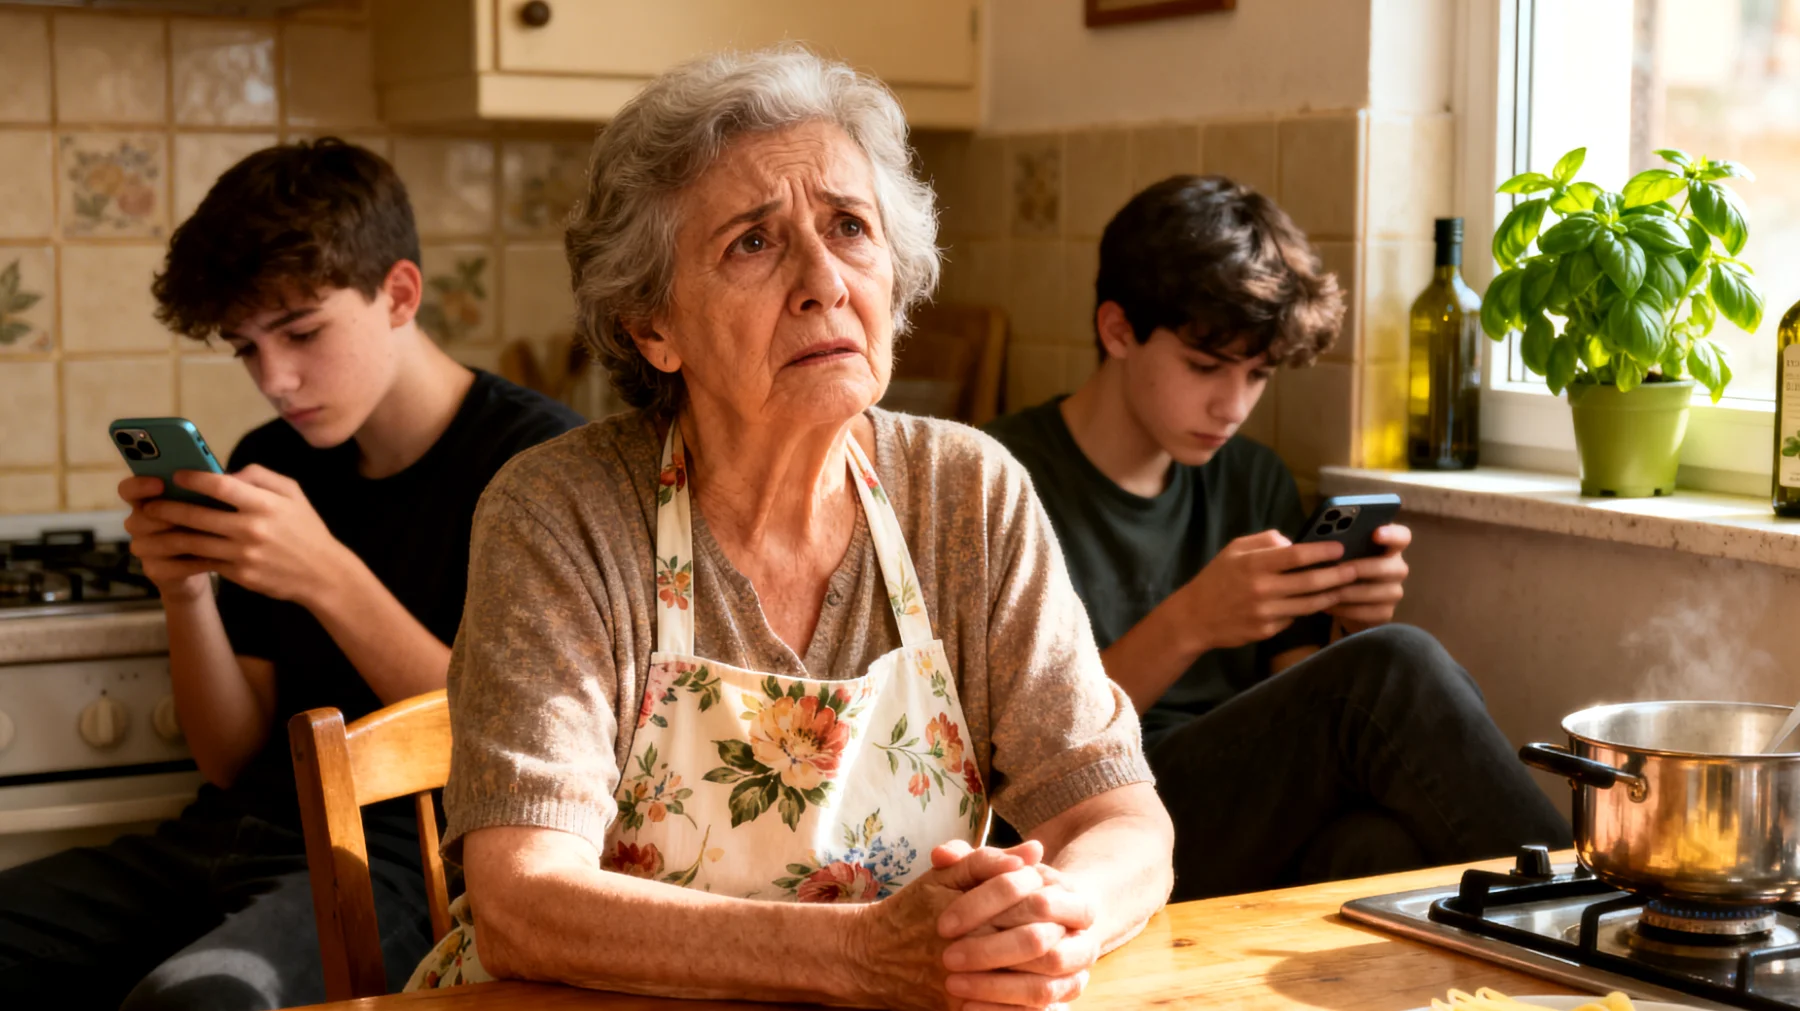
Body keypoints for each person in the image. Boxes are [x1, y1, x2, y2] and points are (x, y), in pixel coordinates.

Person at [404, 47, 1174, 1011]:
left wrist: (1055, 917)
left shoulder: (966, 491)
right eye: (753, 244)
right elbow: (525, 900)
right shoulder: (559, 510)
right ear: (654, 327)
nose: (825, 282)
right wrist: (855, 956)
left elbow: (1119, 816)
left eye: (851, 228)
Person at [0, 140, 584, 1009]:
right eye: (246, 348)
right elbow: (233, 756)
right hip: (232, 833)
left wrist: (327, 576)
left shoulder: (536, 466)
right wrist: (185, 590)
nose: (275, 378)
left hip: (402, 856)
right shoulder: (272, 459)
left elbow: (513, 750)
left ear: (399, 294)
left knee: (201, 999)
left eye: (303, 332)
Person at [984, 175, 1570, 902]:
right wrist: (1190, 623)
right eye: (1204, 367)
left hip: (1235, 815)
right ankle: (1593, 921)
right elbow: (1002, 761)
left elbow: (1301, 708)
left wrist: (1353, 624)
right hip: (1092, 822)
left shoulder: (1251, 478)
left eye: (1257, 375)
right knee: (1397, 664)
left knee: (1377, 846)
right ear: (1117, 330)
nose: (1232, 405)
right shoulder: (996, 484)